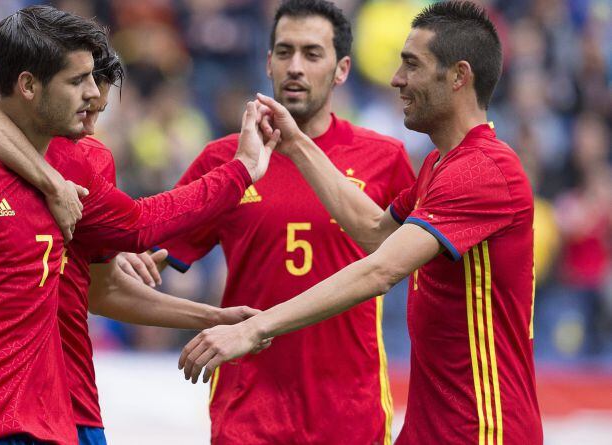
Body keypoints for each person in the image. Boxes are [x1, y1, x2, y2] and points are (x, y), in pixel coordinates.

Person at [0, 6, 275, 445]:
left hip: (54, 424)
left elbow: (141, 224)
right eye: (78, 81)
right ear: (29, 85)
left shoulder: (75, 166)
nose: (93, 94)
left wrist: (241, 170)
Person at [180, 2, 543, 443]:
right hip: (430, 430)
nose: (396, 79)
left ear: (458, 76)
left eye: (411, 65)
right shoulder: (438, 166)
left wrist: (253, 328)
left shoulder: (482, 169)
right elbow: (375, 232)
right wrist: (295, 145)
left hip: (486, 430)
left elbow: (381, 269)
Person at [125, 1, 415, 443]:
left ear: (341, 70)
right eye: (284, 52)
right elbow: (150, 255)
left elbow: (404, 264)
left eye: (312, 54)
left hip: (351, 415)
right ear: (268, 63)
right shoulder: (224, 160)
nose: (295, 66)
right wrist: (131, 261)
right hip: (248, 417)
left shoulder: (385, 159)